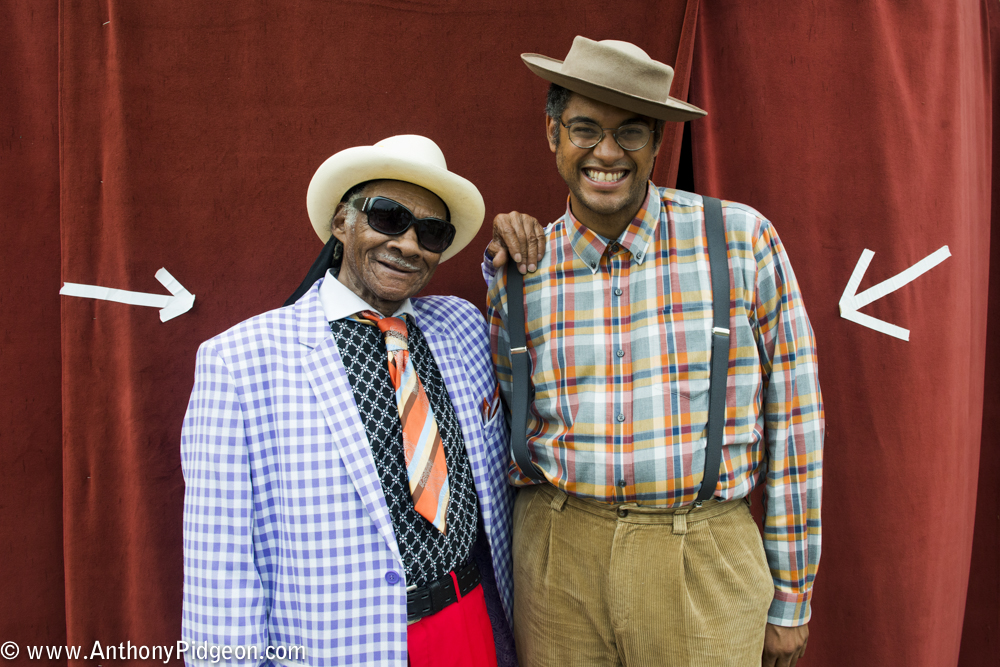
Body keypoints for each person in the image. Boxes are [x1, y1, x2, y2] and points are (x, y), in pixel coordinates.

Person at [485, 37, 823, 667]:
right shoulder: (520, 268)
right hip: (557, 556)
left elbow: (796, 421)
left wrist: (792, 594)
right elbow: (504, 419)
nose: (607, 152)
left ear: (659, 143)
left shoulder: (741, 240)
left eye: (631, 132)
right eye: (585, 128)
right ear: (553, 133)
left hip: (702, 555)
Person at [181, 135, 515, 667]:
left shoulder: (462, 326)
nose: (409, 244)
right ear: (342, 223)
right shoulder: (239, 362)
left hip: (472, 623)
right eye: (388, 217)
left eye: (431, 232)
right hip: (338, 645)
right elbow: (217, 568)